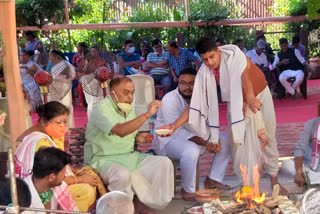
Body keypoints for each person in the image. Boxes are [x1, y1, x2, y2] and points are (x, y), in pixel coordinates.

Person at [159, 37, 288, 195]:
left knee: (268, 136)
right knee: (239, 143)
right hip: (236, 104)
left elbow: (244, 74)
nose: (210, 62)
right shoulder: (204, 73)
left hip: (258, 95)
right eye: (205, 59)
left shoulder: (233, 54)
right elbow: (195, 104)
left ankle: (275, 182)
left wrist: (250, 96)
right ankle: (247, 185)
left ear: (218, 51)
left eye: (212, 57)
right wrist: (173, 126)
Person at [84, 76, 174, 214]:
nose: (130, 97)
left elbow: (130, 134)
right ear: (112, 93)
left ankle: (140, 202)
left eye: (132, 92)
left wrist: (140, 138)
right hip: (103, 159)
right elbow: (120, 131)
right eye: (126, 93)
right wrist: (148, 114)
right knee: (122, 174)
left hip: (129, 156)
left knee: (163, 163)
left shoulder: (127, 107)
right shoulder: (101, 109)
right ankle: (121, 209)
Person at [153, 68, 231, 201]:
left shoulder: (202, 97)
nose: (187, 87)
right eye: (182, 83)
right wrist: (207, 142)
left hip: (196, 138)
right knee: (191, 150)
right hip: (168, 141)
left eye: (191, 83)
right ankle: (188, 189)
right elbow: (177, 131)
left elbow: (210, 121)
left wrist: (214, 138)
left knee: (226, 140)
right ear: (177, 82)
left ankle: (213, 179)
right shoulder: (170, 99)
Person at [15, 101, 106, 212]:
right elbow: (48, 179)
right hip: (39, 187)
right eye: (58, 122)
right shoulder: (41, 142)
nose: (63, 126)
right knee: (86, 189)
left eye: (65, 122)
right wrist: (80, 179)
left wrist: (75, 173)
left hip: (50, 179)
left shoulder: (48, 134)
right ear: (44, 121)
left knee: (90, 173)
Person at [23, 147, 71, 213]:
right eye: (63, 172)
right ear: (51, 177)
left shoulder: (60, 187)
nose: (66, 174)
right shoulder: (22, 199)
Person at [281, 117, 320, 186]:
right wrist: (299, 172)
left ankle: (310, 181)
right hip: (308, 167)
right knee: (286, 164)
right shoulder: (312, 123)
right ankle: (312, 180)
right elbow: (300, 149)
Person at [48, 50, 75, 128]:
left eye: (50, 56)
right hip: (55, 89)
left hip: (64, 89)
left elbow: (68, 75)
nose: (49, 58)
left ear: (56, 57)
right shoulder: (54, 65)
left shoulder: (65, 64)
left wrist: (53, 76)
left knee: (64, 106)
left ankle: (66, 128)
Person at [79, 46, 108, 119]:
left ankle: (100, 120)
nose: (93, 53)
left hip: (101, 82)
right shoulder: (87, 61)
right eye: (91, 51)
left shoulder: (102, 60)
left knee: (100, 101)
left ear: (98, 52)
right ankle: (92, 122)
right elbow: (82, 71)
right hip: (89, 82)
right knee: (92, 102)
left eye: (95, 51)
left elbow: (106, 71)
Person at [72, 42, 89, 107]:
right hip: (79, 73)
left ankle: (86, 103)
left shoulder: (88, 56)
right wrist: (77, 70)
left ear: (82, 47)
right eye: (77, 47)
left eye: (79, 46)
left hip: (86, 74)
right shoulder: (76, 55)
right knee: (80, 88)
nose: (77, 48)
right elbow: (74, 64)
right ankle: (83, 103)